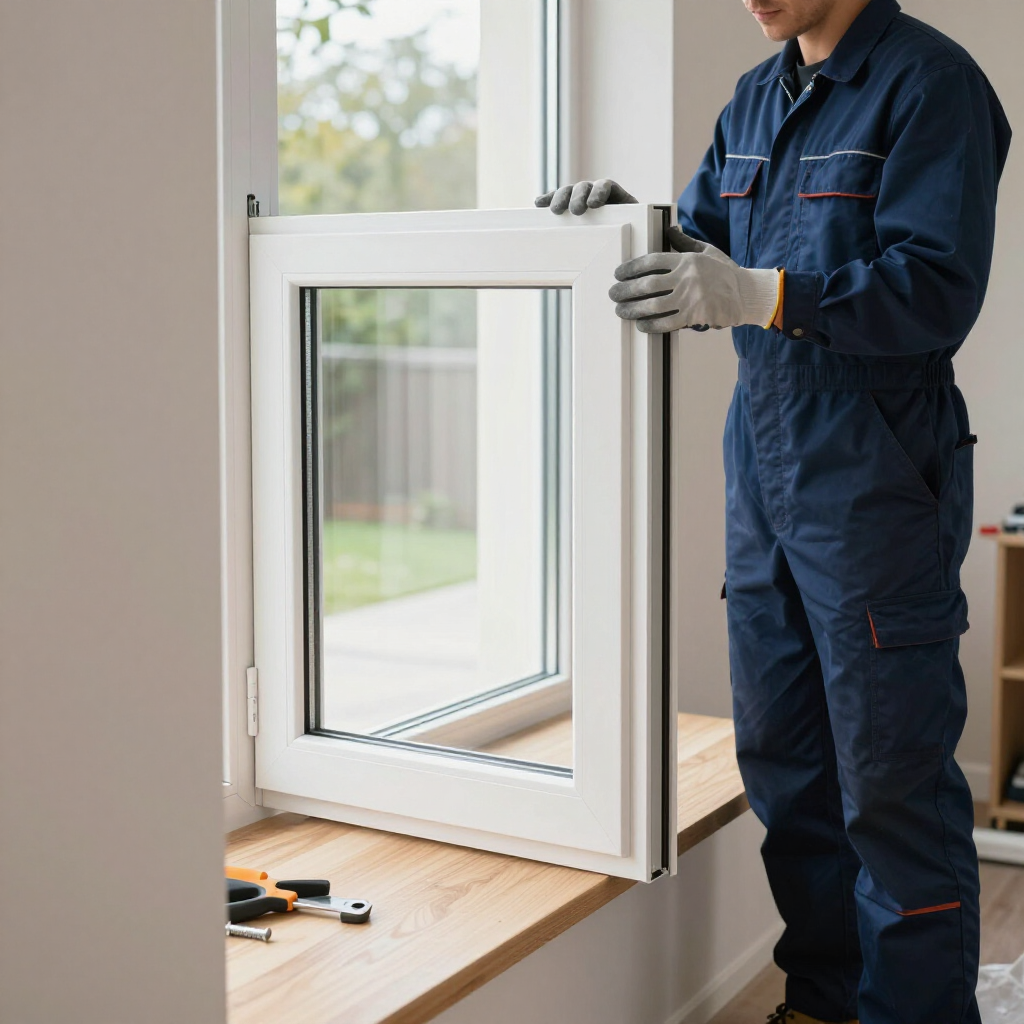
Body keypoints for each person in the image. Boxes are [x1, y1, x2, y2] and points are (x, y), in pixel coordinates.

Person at [537, 1, 1011, 1022]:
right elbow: (707, 244)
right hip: (763, 478)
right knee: (789, 774)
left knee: (889, 788)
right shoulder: (756, 98)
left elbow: (935, 289)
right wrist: (629, 222)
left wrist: (760, 297)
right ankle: (824, 999)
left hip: (877, 481)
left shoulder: (931, 83)